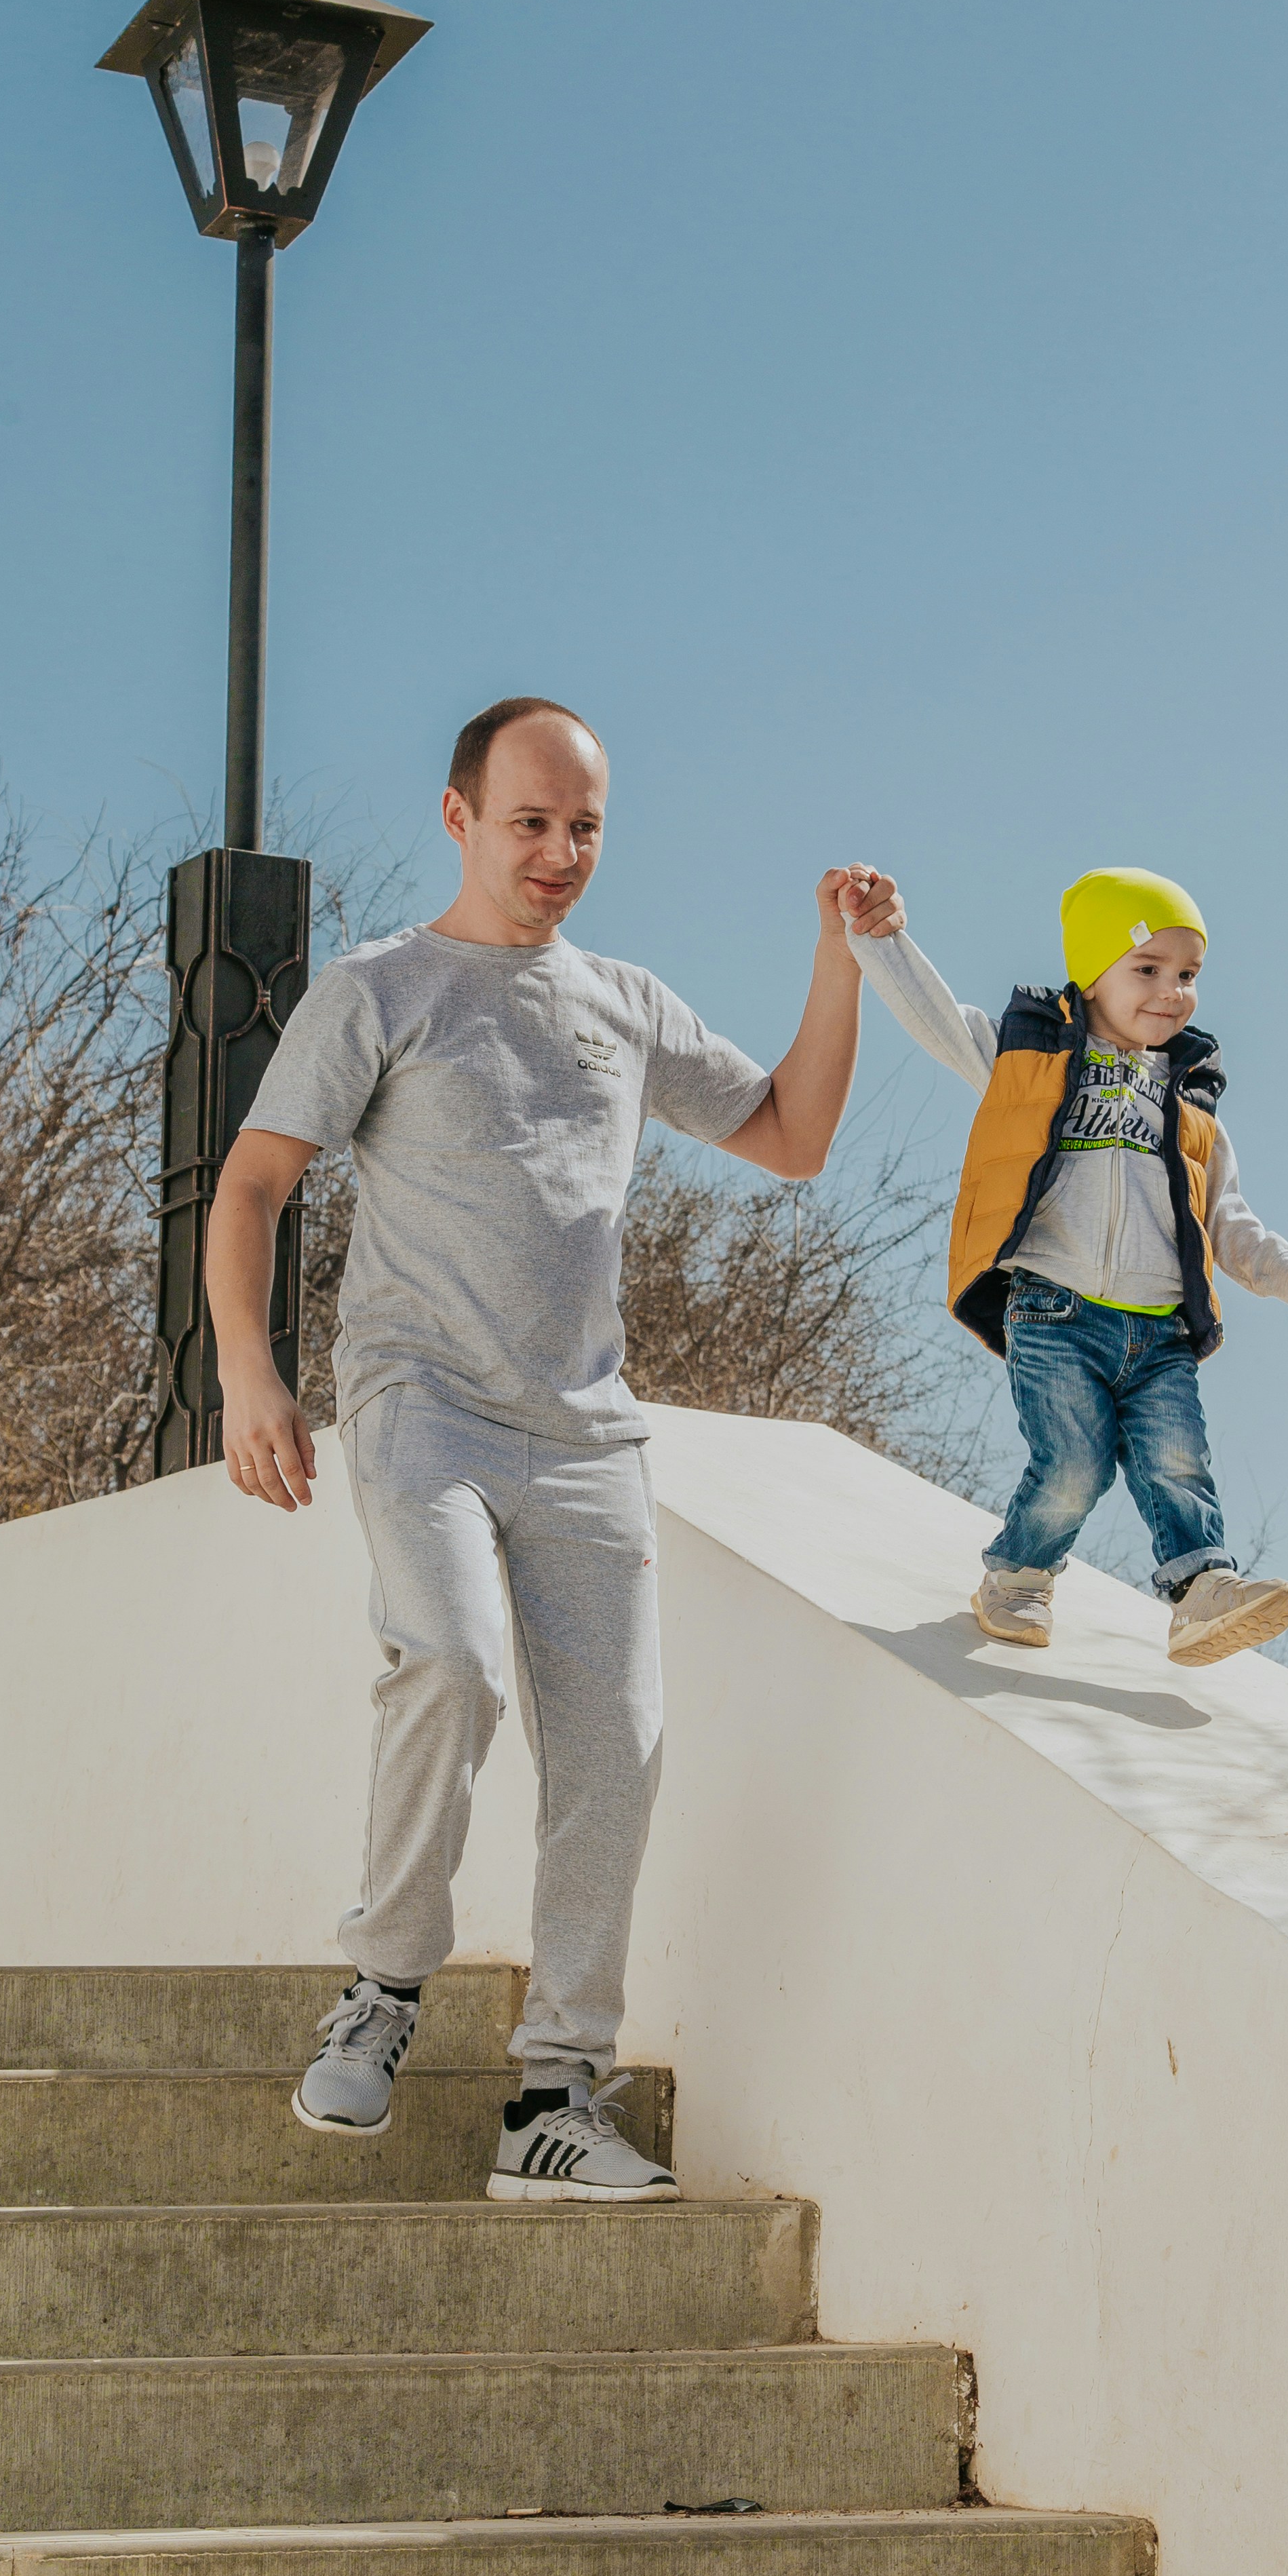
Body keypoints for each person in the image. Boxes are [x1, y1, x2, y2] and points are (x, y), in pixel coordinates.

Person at [203, 693, 901, 2199]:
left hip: (585, 1432)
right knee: (448, 1664)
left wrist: (833, 964)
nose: (557, 851)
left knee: (616, 1753)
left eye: (583, 825)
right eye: (529, 821)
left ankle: (552, 2097)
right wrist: (248, 1373)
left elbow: (788, 1135)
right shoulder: (382, 989)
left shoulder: (623, 1002)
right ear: (458, 817)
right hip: (420, 1403)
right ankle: (384, 1991)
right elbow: (254, 1182)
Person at [849, 866, 1288, 1664]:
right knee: (1073, 1462)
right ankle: (1017, 1574)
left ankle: (1203, 1591)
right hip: (1055, 1311)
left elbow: (1225, 1215)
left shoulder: (1188, 1101)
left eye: (1186, 975)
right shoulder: (1032, 1058)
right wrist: (881, 938)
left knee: (1179, 1462)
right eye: (1146, 969)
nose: (1170, 991)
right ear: (1092, 973)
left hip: (1159, 1329)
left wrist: (1281, 1272)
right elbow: (938, 1020)